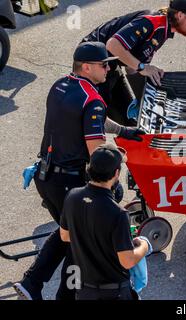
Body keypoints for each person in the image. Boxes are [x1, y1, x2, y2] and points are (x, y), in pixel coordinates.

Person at [13, 41, 144, 300]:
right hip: (68, 181)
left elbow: (92, 118)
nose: (109, 69)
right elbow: (97, 153)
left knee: (67, 233)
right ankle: (64, 295)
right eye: (103, 64)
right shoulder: (93, 98)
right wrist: (118, 164)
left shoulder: (61, 85)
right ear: (86, 67)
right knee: (77, 244)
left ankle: (32, 283)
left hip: (46, 176)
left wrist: (124, 130)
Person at [81, 0, 186, 125]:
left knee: (132, 121)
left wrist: (152, 90)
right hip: (91, 61)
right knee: (96, 120)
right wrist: (143, 67)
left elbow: (132, 67)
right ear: (180, 15)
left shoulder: (164, 30)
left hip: (109, 64)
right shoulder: (152, 22)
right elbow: (112, 45)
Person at [60, 144, 150, 300]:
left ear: (90, 168)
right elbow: (127, 261)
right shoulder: (117, 213)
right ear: (116, 173)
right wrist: (144, 245)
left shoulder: (72, 197)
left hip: (85, 291)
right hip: (114, 293)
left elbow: (65, 236)